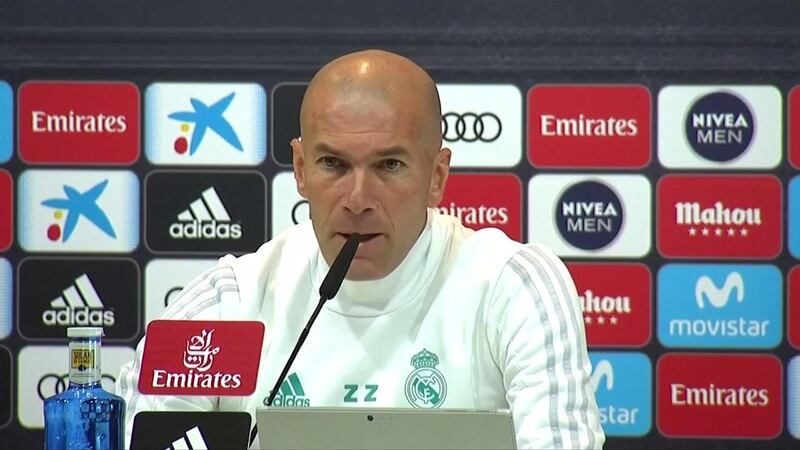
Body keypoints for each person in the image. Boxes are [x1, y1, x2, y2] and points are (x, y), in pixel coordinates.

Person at [116, 49, 605, 449]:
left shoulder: (513, 286)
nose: (358, 200)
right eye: (333, 164)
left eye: (389, 165)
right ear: (302, 169)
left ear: (436, 178)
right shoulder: (227, 303)